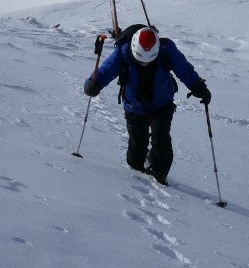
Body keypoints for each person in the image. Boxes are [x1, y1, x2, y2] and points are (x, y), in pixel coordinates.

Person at [83, 24, 211, 183]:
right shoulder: (123, 51)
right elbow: (107, 69)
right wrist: (93, 83)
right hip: (134, 105)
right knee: (137, 148)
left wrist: (198, 87)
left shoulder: (166, 49)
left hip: (162, 103)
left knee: (161, 139)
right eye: (140, 60)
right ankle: (137, 170)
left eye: (148, 61)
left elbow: (183, 69)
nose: (144, 64)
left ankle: (159, 174)